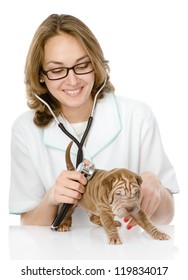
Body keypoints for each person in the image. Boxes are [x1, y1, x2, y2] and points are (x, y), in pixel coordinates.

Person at [9, 14, 179, 229]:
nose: (72, 80)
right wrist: (52, 198)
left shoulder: (137, 116)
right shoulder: (25, 130)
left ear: (96, 64)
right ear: (40, 75)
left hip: (127, 258)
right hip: (59, 261)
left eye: (82, 65)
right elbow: (28, 225)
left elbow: (166, 217)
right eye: (57, 70)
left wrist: (157, 188)